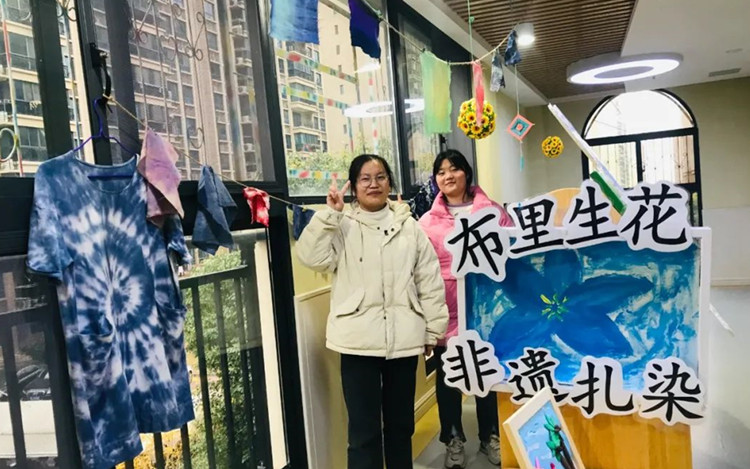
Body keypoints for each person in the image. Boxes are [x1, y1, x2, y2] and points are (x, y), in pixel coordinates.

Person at [296, 154, 449, 469]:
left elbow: (429, 279)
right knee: (363, 432)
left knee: (401, 427)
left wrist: (433, 330)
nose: (373, 184)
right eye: (365, 178)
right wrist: (329, 215)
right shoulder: (341, 224)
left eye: (380, 177)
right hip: (357, 342)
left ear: (389, 182)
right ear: (353, 186)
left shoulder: (409, 226)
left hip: (404, 339)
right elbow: (311, 257)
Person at [418, 150, 513, 468]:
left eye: (454, 169)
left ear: (466, 173)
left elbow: (512, 256)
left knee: (487, 374)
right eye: (441, 172)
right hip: (446, 314)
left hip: (487, 313)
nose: (448, 176)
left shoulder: (493, 212)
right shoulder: (427, 222)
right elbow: (420, 271)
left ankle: (490, 436)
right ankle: (453, 439)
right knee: (448, 380)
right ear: (436, 180)